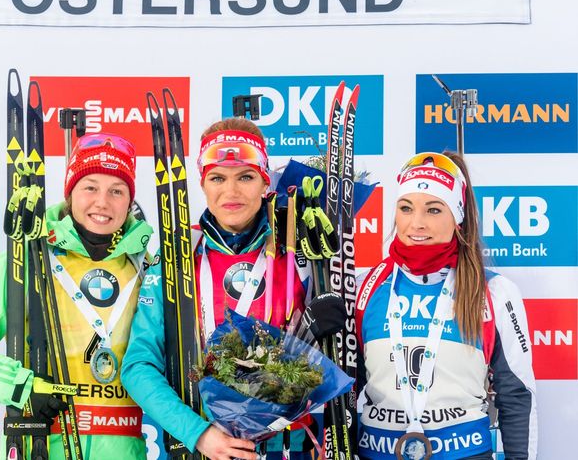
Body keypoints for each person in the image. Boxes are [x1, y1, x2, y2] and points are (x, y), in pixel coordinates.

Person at [0, 133, 153, 459]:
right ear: (70, 193)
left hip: (126, 450)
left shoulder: (148, 270)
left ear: (129, 200)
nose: (102, 202)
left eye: (116, 191)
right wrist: (19, 386)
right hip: (43, 445)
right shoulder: (26, 257)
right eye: (90, 186)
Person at [122, 118, 313, 460]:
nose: (231, 191)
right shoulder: (177, 256)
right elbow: (138, 365)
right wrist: (198, 433)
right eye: (218, 178)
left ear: (265, 180)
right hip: (199, 447)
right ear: (203, 183)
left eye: (245, 176)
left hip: (285, 448)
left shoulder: (300, 252)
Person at [354, 151, 537, 460]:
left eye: (434, 210)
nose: (417, 223)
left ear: (458, 217)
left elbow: (516, 395)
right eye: (406, 208)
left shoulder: (493, 291)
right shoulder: (363, 287)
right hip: (378, 452)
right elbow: (345, 391)